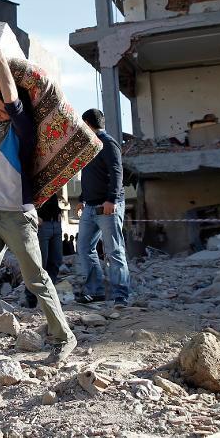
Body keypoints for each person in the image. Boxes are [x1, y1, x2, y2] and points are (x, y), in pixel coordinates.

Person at [0, 45, 76, 365]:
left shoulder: (22, 129)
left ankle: (64, 336)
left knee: (35, 278)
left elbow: (10, 94)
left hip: (18, 218)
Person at [74, 109, 131, 306]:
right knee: (83, 247)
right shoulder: (89, 146)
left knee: (114, 251)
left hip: (108, 207)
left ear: (87, 123)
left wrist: (112, 200)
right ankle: (95, 291)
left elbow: (117, 172)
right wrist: (82, 198)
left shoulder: (108, 143)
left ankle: (120, 295)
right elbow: (90, 176)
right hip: (90, 207)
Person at [25, 192, 64, 308]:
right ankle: (31, 299)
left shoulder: (49, 176)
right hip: (41, 225)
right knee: (39, 265)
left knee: (55, 262)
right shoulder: (31, 177)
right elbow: (23, 197)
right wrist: (34, 216)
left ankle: (48, 296)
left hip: (55, 224)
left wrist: (58, 212)